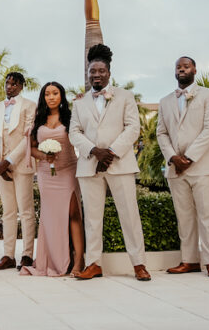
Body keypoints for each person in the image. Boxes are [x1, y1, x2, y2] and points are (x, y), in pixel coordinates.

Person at [70, 44, 150, 281]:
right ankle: (94, 264)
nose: (96, 74)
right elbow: (74, 132)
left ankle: (139, 264)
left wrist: (111, 153)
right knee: (93, 219)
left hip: (120, 164)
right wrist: (95, 151)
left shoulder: (125, 96)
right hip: (89, 166)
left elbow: (133, 127)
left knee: (130, 216)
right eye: (91, 71)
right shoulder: (79, 102)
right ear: (88, 73)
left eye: (100, 71)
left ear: (109, 72)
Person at [156, 57, 209, 278]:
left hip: (202, 165)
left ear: (194, 69)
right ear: (174, 71)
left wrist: (190, 157)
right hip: (176, 168)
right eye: (178, 67)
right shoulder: (165, 101)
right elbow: (161, 133)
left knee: (208, 214)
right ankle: (189, 260)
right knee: (184, 216)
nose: (182, 69)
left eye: (186, 66)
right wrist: (173, 157)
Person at [20, 82, 84, 277]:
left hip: (68, 170)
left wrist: (82, 104)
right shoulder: (37, 121)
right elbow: (31, 147)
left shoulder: (71, 117)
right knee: (51, 218)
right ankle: (54, 260)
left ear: (61, 96)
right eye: (47, 94)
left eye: (55, 93)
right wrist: (43, 156)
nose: (51, 97)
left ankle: (78, 259)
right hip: (46, 174)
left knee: (73, 214)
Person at [0, 72, 37, 270]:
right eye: (7, 83)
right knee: (8, 211)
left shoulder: (29, 106)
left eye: (14, 84)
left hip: (21, 164)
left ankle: (27, 254)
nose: (10, 87)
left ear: (21, 86)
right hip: (1, 167)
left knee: (25, 211)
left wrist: (8, 161)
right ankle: (8, 255)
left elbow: (28, 137)